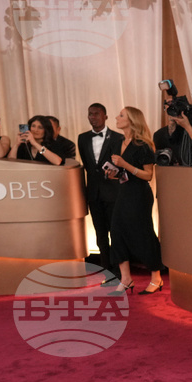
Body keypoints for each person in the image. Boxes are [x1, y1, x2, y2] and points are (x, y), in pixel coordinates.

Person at [105, 107, 164, 295]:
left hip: (139, 195)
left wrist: (125, 165)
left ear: (132, 120)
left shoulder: (143, 145)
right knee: (116, 231)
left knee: (143, 233)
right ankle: (126, 279)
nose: (116, 117)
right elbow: (122, 173)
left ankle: (156, 278)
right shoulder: (119, 142)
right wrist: (113, 173)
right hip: (123, 192)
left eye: (121, 115)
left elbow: (148, 176)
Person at [78, 103, 126, 274]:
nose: (93, 117)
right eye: (90, 114)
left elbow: (120, 166)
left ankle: (119, 271)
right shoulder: (82, 138)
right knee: (100, 235)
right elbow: (88, 166)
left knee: (116, 233)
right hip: (94, 193)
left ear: (105, 116)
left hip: (113, 193)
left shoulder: (118, 138)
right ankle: (106, 270)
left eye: (97, 114)